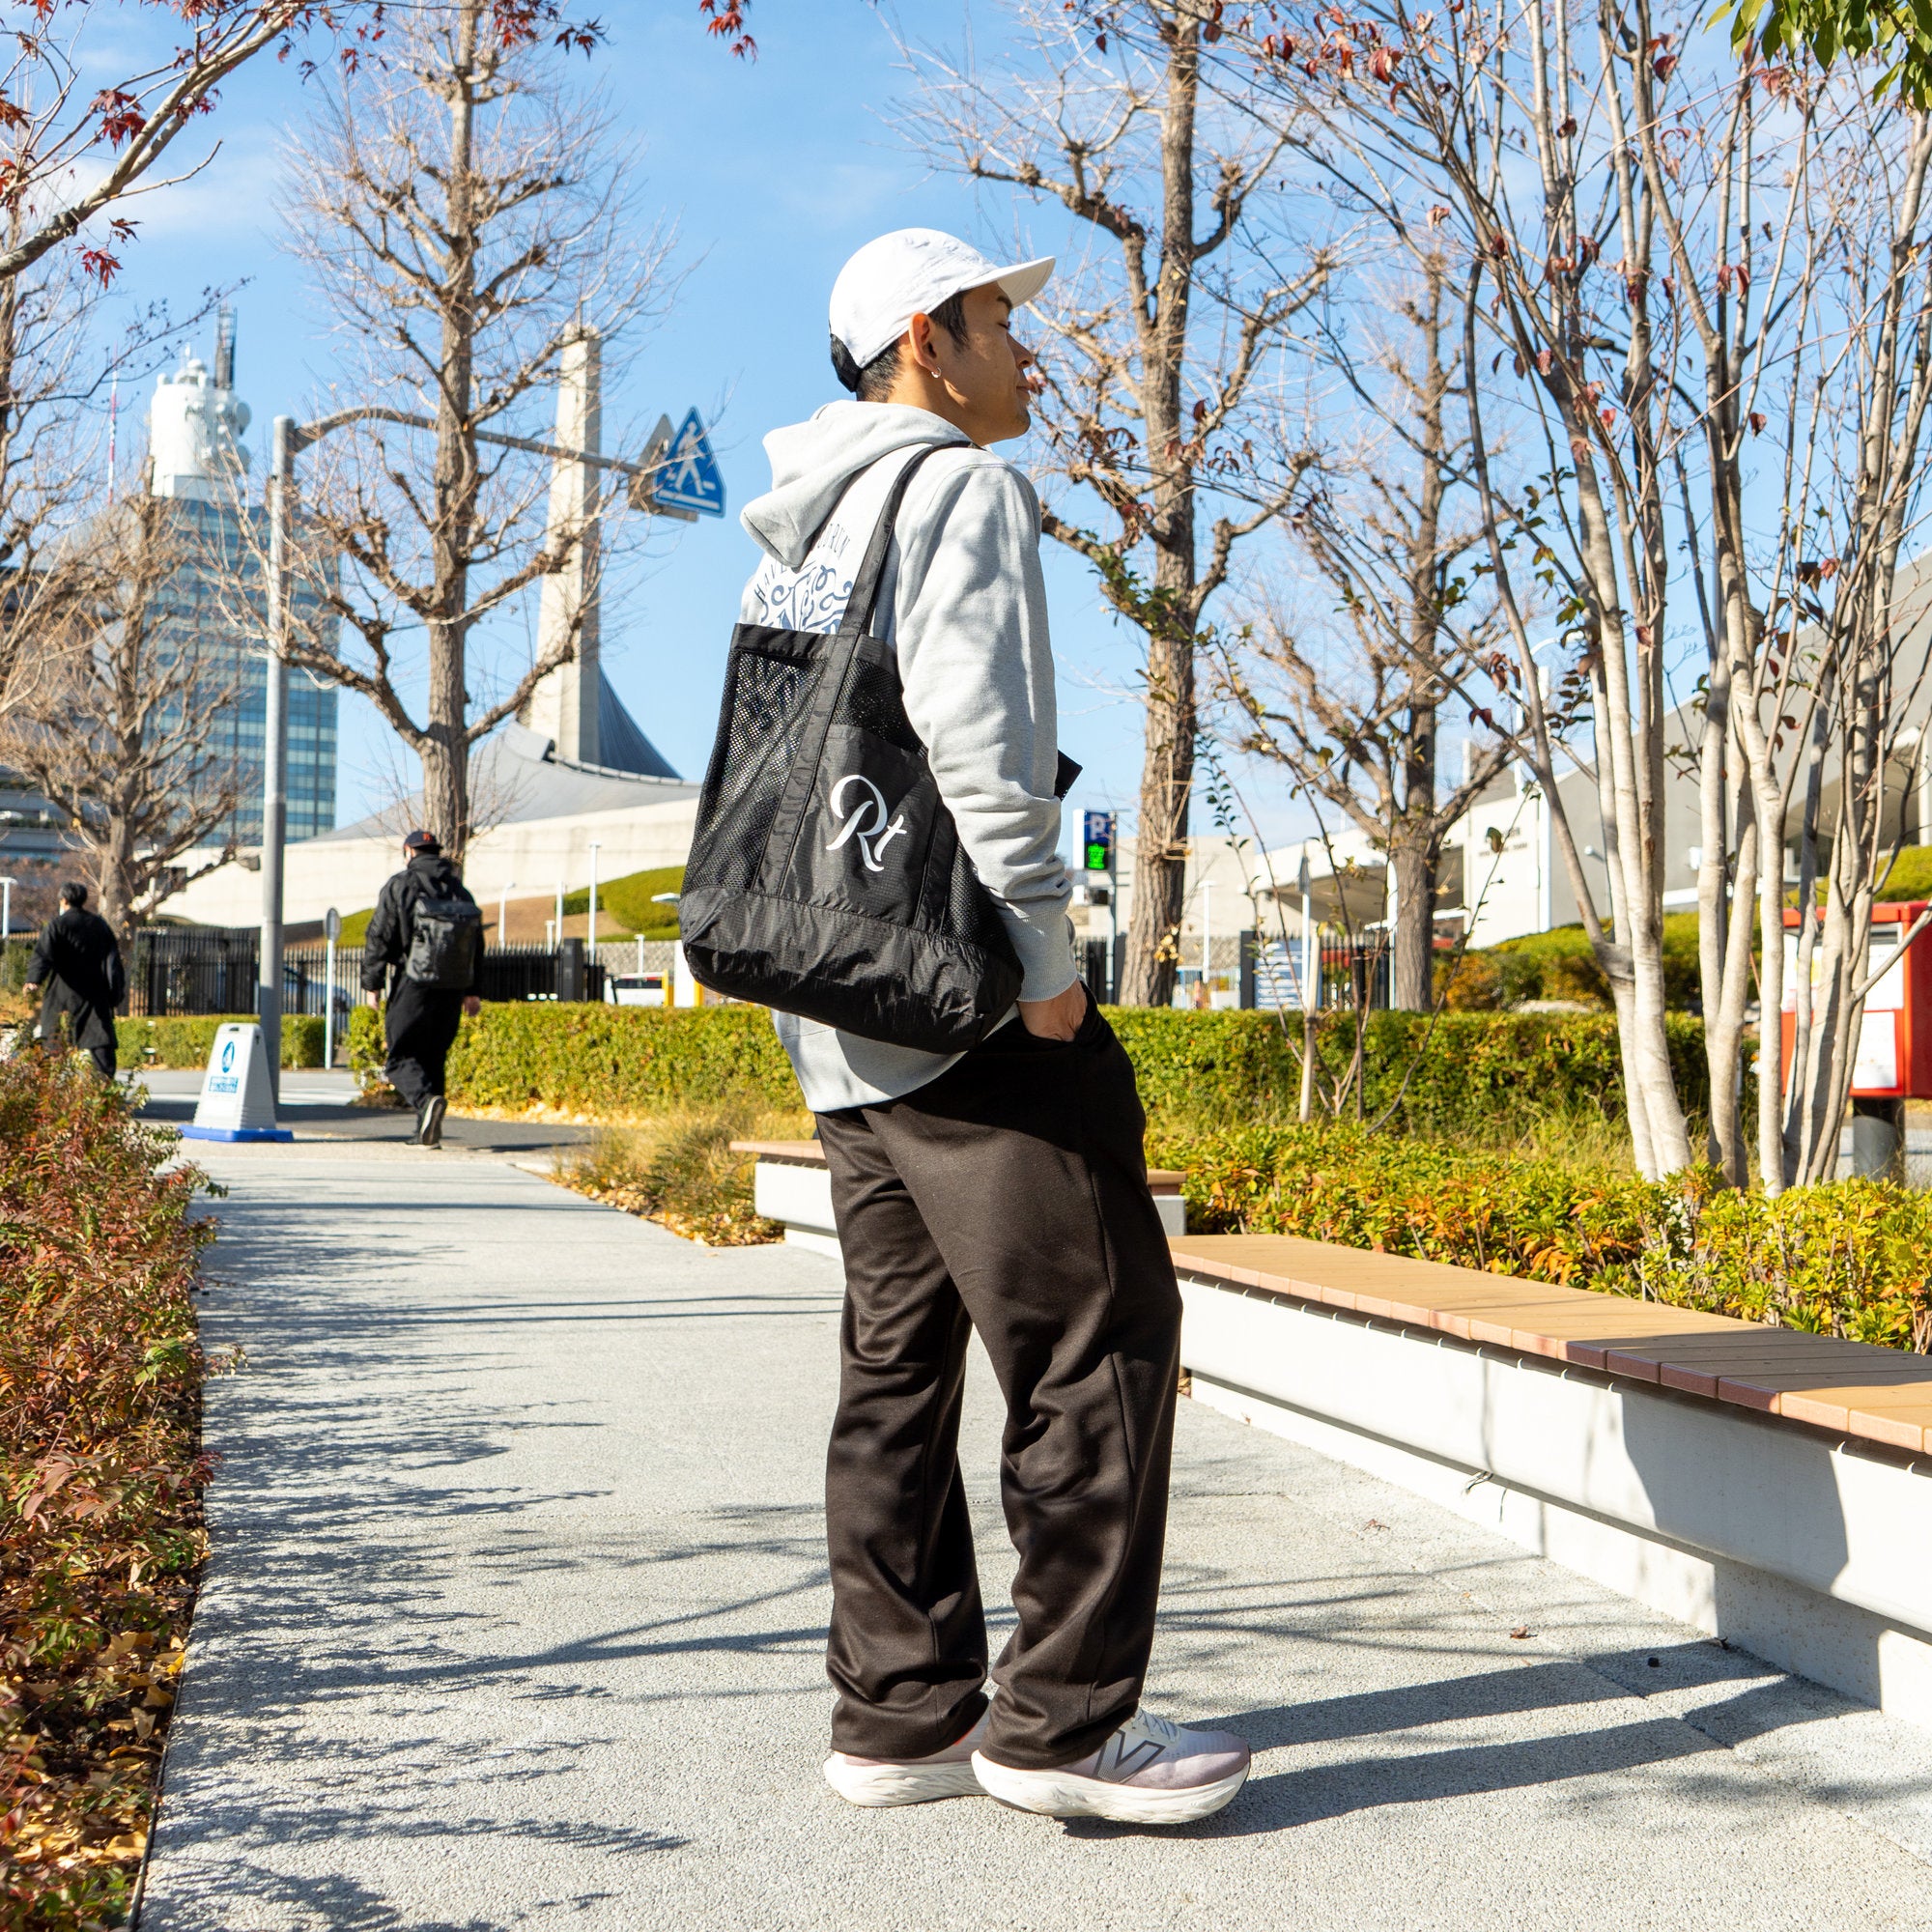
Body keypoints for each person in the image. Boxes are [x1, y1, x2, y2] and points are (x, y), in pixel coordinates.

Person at [738, 229, 1250, 1825]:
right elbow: (979, 733)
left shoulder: (794, 537)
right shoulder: (955, 490)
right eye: (1000, 326)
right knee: (1098, 1341)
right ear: (922, 342)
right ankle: (1068, 1729)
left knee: (894, 1365)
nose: (1030, 355)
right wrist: (1045, 950)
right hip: (964, 1003)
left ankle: (897, 1714)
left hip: (840, 1017)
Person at [361, 829, 482, 1148]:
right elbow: (476, 945)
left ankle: (425, 1102)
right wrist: (473, 990)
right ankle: (426, 1131)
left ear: (409, 852)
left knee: (399, 1057)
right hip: (453, 986)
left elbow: (380, 936)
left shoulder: (401, 885)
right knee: (433, 1056)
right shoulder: (460, 890)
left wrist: (372, 984)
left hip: (412, 982)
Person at [24, 882, 126, 1081]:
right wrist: (114, 994)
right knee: (99, 1042)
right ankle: (104, 1089)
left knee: (53, 1042)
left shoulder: (57, 925)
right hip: (95, 993)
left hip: (62, 992)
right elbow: (113, 962)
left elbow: (43, 954)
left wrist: (33, 979)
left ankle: (49, 1090)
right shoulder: (99, 925)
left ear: (63, 900)